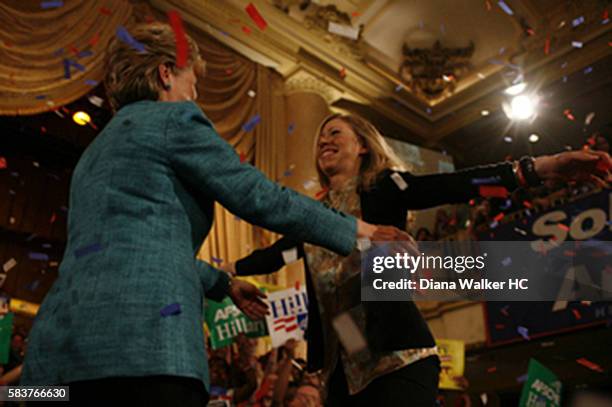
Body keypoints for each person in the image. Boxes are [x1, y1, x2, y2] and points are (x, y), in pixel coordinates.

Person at [20, 24, 405, 406]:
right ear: (165, 73)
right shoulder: (173, 119)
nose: (195, 95)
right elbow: (257, 195)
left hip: (56, 363)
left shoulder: (94, 152)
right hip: (146, 353)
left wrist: (223, 282)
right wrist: (359, 229)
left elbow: (133, 244)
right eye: (193, 81)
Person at [225, 113, 612, 406]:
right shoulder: (311, 219)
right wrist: (225, 274)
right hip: (346, 372)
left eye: (335, 133)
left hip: (402, 360)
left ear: (362, 146)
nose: (323, 140)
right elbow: (279, 258)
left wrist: (536, 168)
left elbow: (451, 185)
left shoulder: (385, 188)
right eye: (320, 137)